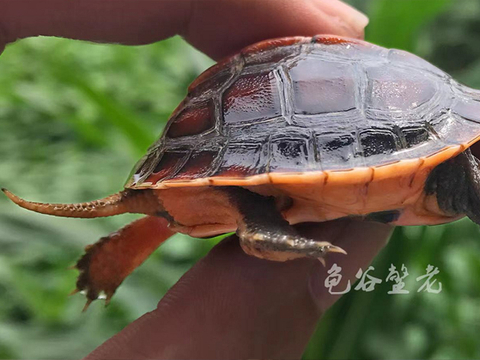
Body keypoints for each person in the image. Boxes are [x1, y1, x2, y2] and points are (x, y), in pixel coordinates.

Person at [0, 1, 392, 358]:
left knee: (172, 212)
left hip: (202, 183)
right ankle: (258, 226)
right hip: (246, 177)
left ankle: (248, 220)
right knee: (229, 194)